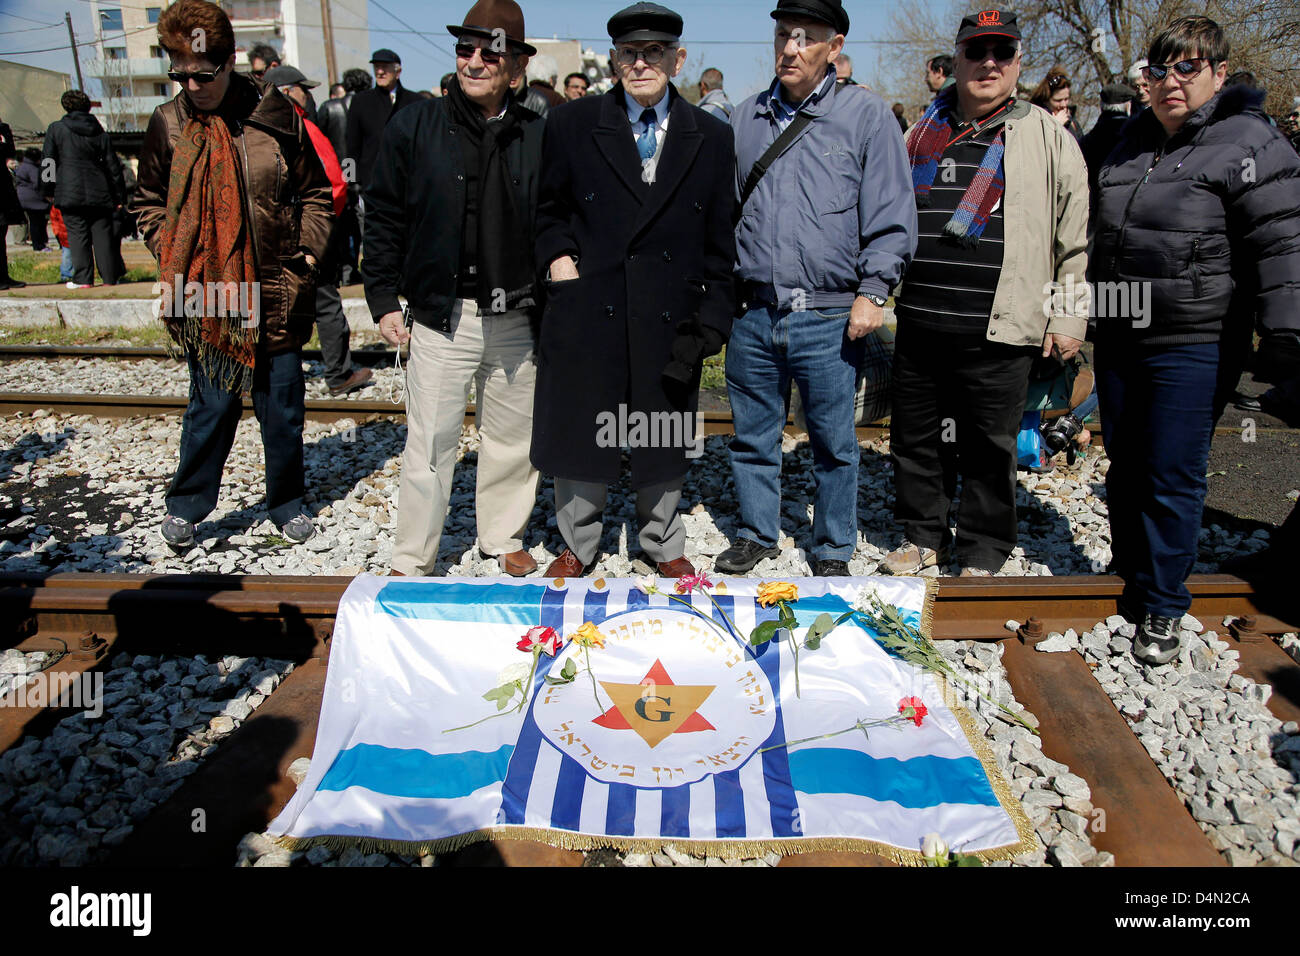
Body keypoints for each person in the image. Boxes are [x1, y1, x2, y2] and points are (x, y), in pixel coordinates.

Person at [1090, 15, 1300, 664]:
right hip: (1122, 332)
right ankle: (1130, 573)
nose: (1171, 82)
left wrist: (1287, 330)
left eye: (1187, 68)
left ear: (1216, 71)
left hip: (1196, 338)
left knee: (1171, 469)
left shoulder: (1250, 142)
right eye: (1160, 69)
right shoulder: (1131, 139)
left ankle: (1162, 604)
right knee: (1125, 464)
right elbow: (1102, 239)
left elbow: (1281, 237)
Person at [882, 9, 1089, 577]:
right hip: (922, 320)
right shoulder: (920, 133)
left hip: (1002, 325)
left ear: (1018, 61)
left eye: (1002, 52)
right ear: (959, 59)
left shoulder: (1048, 136)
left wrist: (1069, 317)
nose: (989, 63)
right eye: (977, 51)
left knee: (989, 445)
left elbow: (1075, 239)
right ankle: (923, 535)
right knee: (916, 440)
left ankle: (982, 546)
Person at [533, 1, 736, 579]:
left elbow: (722, 240)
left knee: (663, 424)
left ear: (678, 58)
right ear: (615, 59)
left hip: (670, 313)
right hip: (589, 305)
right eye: (630, 53)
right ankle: (579, 541)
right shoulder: (572, 125)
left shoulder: (712, 138)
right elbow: (549, 212)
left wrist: (713, 318)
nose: (642, 63)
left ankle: (662, 540)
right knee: (582, 421)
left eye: (655, 53)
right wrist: (559, 263)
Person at [717, 0, 915, 577]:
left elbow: (892, 214)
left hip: (828, 314)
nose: (790, 48)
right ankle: (757, 532)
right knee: (752, 436)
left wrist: (873, 292)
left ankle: (831, 548)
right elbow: (724, 210)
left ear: (835, 45)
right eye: (783, 35)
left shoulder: (868, 117)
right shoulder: (744, 118)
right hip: (754, 312)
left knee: (834, 443)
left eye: (805, 37)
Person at [133, 0, 333, 550]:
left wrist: (307, 259)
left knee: (283, 407)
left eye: (205, 74)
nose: (193, 85)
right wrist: (174, 250)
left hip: (277, 284)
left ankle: (287, 501)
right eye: (181, 74)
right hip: (208, 288)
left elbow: (317, 194)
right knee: (212, 405)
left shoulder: (275, 114)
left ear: (229, 62)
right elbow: (147, 201)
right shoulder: (168, 123)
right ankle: (189, 505)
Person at [365, 0, 545, 577]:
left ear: (514, 65)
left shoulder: (538, 133)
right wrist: (382, 298)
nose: (473, 62)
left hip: (517, 314)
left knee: (511, 439)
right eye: (465, 50)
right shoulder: (414, 125)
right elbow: (385, 214)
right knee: (432, 440)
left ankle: (501, 536)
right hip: (444, 313)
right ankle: (413, 554)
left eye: (488, 53)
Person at [266, 64, 373, 397]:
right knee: (325, 302)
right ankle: (339, 375)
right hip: (307, 235)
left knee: (272, 307)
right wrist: (326, 223)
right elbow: (335, 183)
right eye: (302, 88)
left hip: (269, 237)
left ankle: (263, 376)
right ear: (287, 92)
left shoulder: (251, 129)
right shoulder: (303, 127)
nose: (308, 94)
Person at [42, 90, 126, 288]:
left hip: (69, 190)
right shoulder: (100, 132)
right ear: (88, 106)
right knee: (103, 235)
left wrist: (47, 189)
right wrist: (120, 195)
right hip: (101, 191)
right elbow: (113, 166)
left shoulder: (56, 129)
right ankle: (109, 278)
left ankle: (83, 279)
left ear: (66, 106)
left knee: (77, 234)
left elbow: (48, 161)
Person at [346, 49, 422, 213]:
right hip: (371, 186)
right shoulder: (361, 101)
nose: (380, 72)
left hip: (407, 186)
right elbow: (351, 146)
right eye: (377, 67)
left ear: (398, 71)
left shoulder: (415, 102)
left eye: (385, 67)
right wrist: (350, 181)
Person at [1080, 82, 1134, 227]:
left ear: (1101, 106)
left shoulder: (1086, 142)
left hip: (1094, 213)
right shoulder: (1134, 139)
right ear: (1128, 106)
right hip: (1126, 214)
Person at [0, 116, 25, 289]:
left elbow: (10, 153)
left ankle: (3, 276)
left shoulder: (3, 129)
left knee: (2, 231)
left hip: (2, 190)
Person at [1030, 66, 1083, 141]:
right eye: (1058, 100)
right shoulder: (1035, 119)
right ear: (1046, 100)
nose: (1063, 104)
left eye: (1066, 99)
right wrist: (1055, 127)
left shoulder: (1071, 119)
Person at [14, 149, 49, 252]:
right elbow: (38, 183)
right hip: (34, 200)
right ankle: (39, 245)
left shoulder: (23, 166)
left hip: (24, 198)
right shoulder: (32, 168)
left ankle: (38, 243)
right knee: (37, 222)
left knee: (33, 222)